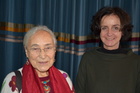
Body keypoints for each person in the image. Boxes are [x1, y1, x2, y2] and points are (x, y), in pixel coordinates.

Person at [75, 6, 140, 93]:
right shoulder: (88, 58)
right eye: (104, 28)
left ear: (123, 31)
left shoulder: (136, 62)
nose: (109, 33)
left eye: (115, 28)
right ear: (99, 31)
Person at [1, 26, 75, 93]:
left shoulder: (64, 77)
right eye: (35, 48)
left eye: (48, 48)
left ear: (55, 50)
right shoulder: (14, 80)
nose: (42, 55)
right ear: (27, 52)